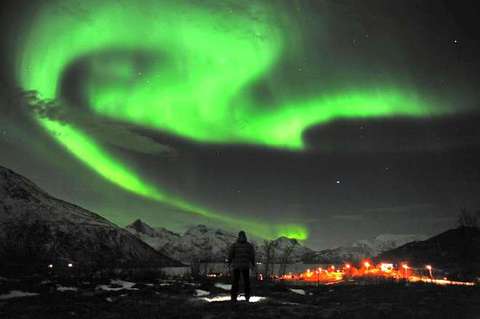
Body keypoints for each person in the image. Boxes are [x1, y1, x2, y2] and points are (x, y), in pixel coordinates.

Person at [227, 230, 255, 302]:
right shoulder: (248, 246)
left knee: (236, 282)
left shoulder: (235, 245)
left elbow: (231, 255)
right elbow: (252, 256)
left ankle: (234, 297)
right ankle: (247, 297)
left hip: (237, 266)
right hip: (245, 266)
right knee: (246, 282)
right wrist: (253, 263)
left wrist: (229, 262)